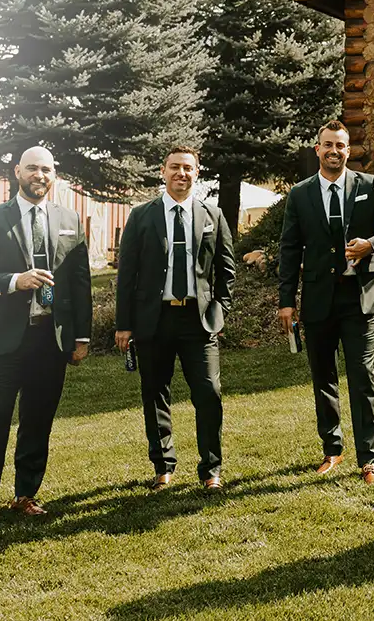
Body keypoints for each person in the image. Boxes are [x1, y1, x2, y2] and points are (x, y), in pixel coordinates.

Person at [0, 147, 92, 535]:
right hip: (3, 340)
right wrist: (16, 281)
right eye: (32, 168)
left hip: (51, 340)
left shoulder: (69, 219)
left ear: (55, 174)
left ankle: (26, 494)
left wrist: (81, 336)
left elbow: (80, 281)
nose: (40, 175)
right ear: (18, 171)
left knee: (37, 421)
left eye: (46, 169)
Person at [275, 119, 374, 482]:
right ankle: (332, 449)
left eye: (341, 145)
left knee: (362, 376)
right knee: (323, 377)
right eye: (327, 145)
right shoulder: (300, 194)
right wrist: (286, 301)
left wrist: (373, 243)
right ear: (317, 149)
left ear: (348, 150)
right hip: (318, 300)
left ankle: (368, 458)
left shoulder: (369, 185)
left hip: (360, 299)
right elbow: (289, 250)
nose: (334, 151)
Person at [114, 147, 237, 490]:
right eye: (175, 167)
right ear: (162, 171)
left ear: (197, 173)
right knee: (155, 393)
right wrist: (124, 323)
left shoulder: (212, 214)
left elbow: (227, 270)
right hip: (154, 320)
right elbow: (128, 274)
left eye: (188, 168)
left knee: (209, 392)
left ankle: (211, 469)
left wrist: (220, 310)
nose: (181, 173)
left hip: (198, 321)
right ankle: (163, 465)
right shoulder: (142, 216)